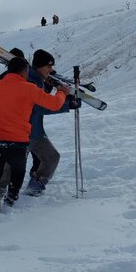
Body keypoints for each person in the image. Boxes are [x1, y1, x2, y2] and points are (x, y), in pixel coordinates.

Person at [0, 57, 69, 215]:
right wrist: (62, 92)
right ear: (24, 71)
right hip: (17, 140)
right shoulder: (28, 88)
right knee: (16, 174)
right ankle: (10, 202)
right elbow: (54, 104)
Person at [24, 50, 80, 196]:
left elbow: (44, 100)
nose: (52, 69)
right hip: (23, 133)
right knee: (11, 167)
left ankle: (35, 187)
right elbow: (43, 107)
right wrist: (67, 104)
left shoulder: (38, 81)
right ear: (38, 66)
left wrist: (56, 92)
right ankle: (0, 193)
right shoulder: (30, 83)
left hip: (36, 132)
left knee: (52, 157)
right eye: (49, 66)